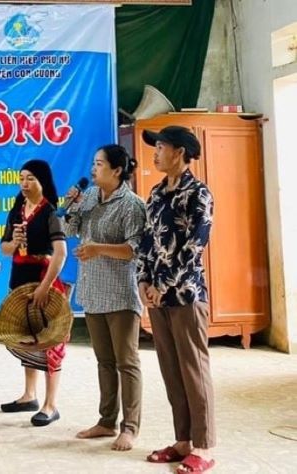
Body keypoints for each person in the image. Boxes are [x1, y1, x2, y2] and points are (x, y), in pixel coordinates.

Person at [138, 126, 216, 473]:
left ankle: (203, 446)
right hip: (157, 297)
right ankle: (183, 440)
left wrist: (164, 285)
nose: (155, 153)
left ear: (180, 152)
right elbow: (147, 241)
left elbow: (194, 247)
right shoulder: (156, 193)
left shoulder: (199, 194)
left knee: (193, 370)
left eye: (161, 147)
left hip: (186, 295)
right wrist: (143, 280)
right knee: (171, 370)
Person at [61, 145, 145, 450]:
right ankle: (107, 421)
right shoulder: (90, 197)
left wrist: (98, 248)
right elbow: (68, 229)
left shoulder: (132, 205)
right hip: (93, 292)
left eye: (99, 164)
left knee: (127, 362)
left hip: (120, 295)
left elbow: (135, 250)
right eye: (93, 163)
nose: (93, 169)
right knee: (104, 362)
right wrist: (70, 205)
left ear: (117, 170)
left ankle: (130, 427)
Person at [0, 159, 67, 427]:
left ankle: (51, 405)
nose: (25, 184)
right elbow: (4, 249)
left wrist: (45, 287)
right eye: (22, 178)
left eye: (31, 179)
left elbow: (60, 253)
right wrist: (15, 242)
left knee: (50, 341)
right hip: (19, 280)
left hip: (43, 280)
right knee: (27, 338)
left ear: (43, 181)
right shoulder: (17, 210)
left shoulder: (51, 212)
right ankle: (29, 395)